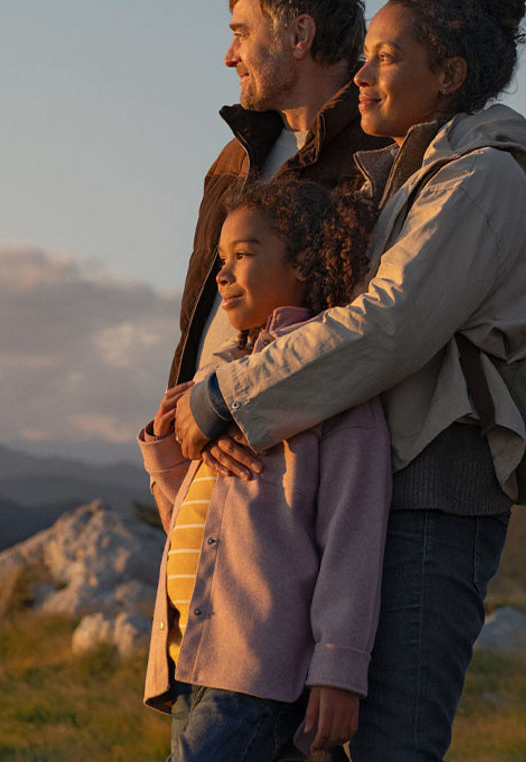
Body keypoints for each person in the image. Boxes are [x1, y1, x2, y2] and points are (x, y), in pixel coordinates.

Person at [175, 0, 526, 760]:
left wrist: (230, 395)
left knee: (392, 745)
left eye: (386, 57)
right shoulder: (413, 180)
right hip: (383, 490)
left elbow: (386, 327)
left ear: (448, 76)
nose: (362, 73)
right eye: (366, 54)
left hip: (433, 498)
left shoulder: (478, 182)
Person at [140, 179, 392, 761]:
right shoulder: (220, 380)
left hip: (254, 668)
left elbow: (352, 542)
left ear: (302, 262)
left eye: (243, 254)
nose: (222, 273)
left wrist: (339, 668)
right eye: (220, 258)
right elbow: (189, 521)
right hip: (190, 656)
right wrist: (167, 442)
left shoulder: (332, 384)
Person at [167, 0, 391, 388]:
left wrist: (230, 402)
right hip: (204, 418)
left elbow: (372, 325)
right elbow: (200, 319)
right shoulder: (234, 159)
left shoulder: (380, 155)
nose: (229, 56)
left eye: (242, 33)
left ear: (299, 36)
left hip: (296, 422)